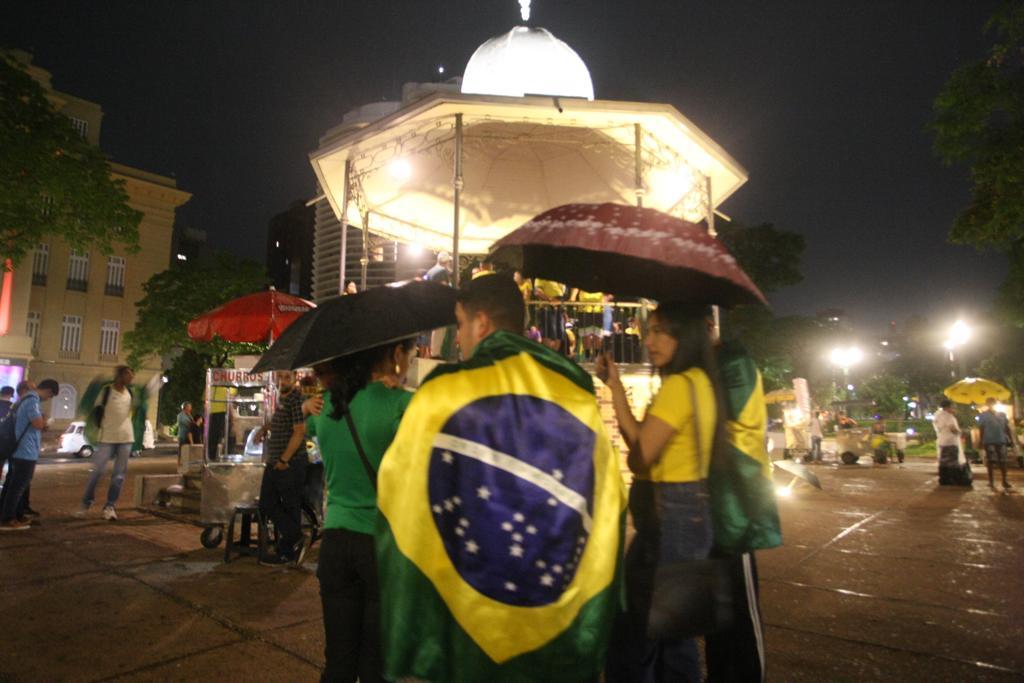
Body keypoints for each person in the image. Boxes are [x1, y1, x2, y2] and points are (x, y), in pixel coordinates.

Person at [375, 275, 623, 681]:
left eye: (460, 325)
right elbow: (607, 506)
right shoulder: (578, 399)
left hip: (464, 618)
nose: (459, 339)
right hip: (545, 620)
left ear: (482, 323)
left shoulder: (443, 393)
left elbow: (400, 495)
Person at [598, 303, 724, 682]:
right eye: (647, 330)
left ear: (685, 336)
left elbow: (640, 458)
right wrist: (615, 386)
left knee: (631, 637)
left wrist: (618, 395)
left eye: (659, 331)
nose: (647, 340)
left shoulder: (679, 387)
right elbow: (645, 444)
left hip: (670, 519)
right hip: (692, 514)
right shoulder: (702, 381)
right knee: (675, 637)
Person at [304, 338, 417, 682]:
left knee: (338, 660)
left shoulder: (325, 405)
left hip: (335, 543)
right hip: (381, 546)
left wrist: (305, 402)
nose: (410, 362)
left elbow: (307, 429)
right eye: (410, 355)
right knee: (375, 665)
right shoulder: (404, 404)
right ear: (396, 355)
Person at [254, 370, 310, 567]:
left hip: (289, 464)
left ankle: (287, 552)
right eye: (280, 377)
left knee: (290, 506)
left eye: (287, 377)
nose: (283, 381)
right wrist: (264, 429)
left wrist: (285, 459)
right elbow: (281, 422)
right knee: (267, 504)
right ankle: (294, 539)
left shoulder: (295, 399)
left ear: (294, 378)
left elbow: (299, 431)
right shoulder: (283, 398)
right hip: (276, 462)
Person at [76, 366, 137, 521]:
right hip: (107, 437)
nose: (131, 378)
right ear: (120, 376)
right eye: (129, 375)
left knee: (119, 476)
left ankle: (110, 506)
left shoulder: (130, 392)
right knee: (97, 472)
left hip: (126, 437)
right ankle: (86, 502)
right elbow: (92, 407)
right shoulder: (106, 391)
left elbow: (136, 410)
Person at [0, 378, 58, 531]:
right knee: (18, 486)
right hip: (25, 450)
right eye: (50, 396)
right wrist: (46, 422)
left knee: (13, 484)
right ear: (48, 391)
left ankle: (15, 515)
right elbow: (38, 424)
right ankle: (8, 519)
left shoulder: (23, 400)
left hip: (18, 449)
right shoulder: (32, 401)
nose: (48, 399)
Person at [978, 398, 1013, 491]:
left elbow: (1007, 427)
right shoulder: (983, 415)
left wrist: (1011, 439)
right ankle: (991, 481)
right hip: (988, 440)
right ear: (986, 404)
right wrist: (980, 441)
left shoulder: (1002, 414)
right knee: (990, 461)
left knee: (1003, 461)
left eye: (992, 403)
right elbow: (981, 429)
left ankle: (1004, 480)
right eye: (989, 403)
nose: (991, 405)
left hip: (1001, 440)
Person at [933, 399, 964, 485]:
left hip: (942, 440)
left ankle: (943, 479)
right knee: (952, 462)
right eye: (952, 407)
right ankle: (952, 479)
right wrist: (960, 432)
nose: (954, 409)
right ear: (948, 407)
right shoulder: (948, 416)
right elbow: (953, 429)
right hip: (951, 441)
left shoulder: (937, 415)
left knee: (943, 462)